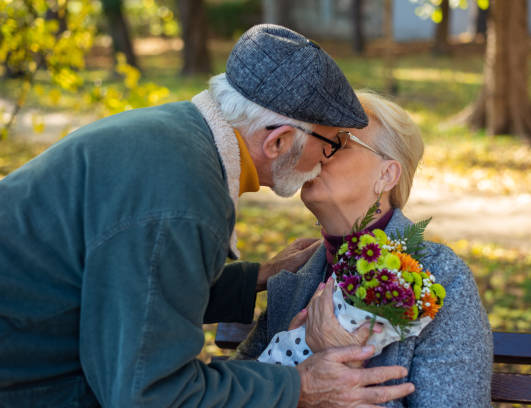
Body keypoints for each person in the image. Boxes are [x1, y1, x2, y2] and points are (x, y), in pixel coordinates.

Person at [0, 26, 415, 407]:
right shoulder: (179, 198)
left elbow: (135, 289)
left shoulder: (175, 138)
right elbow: (150, 393)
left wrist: (257, 276)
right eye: (330, 144)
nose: (325, 160)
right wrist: (300, 386)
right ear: (279, 141)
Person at [235, 91, 494, 407]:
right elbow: (235, 393)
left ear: (386, 175)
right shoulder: (296, 275)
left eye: (338, 142)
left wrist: (342, 362)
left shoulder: (441, 279)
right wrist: (290, 377)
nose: (314, 152)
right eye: (317, 138)